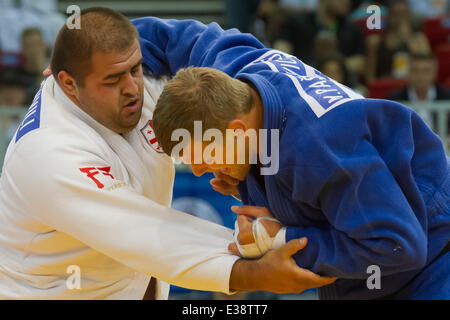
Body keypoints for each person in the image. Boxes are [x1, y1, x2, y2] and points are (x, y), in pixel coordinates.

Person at [0, 8, 336, 299]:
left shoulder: (140, 83)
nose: (132, 87)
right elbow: (141, 233)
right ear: (68, 83)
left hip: (136, 286)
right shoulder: (47, 153)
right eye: (114, 79)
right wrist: (254, 268)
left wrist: (236, 163)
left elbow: (207, 61)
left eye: (134, 68)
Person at [134, 17, 450, 299]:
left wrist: (281, 238)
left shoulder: (317, 150)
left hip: (429, 265)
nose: (202, 171)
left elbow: (398, 247)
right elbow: (156, 35)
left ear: (237, 130)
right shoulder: (231, 69)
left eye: (201, 157)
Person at [388, 53, 450, 132]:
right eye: (415, 71)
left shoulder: (447, 97)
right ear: (408, 73)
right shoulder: (394, 99)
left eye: (426, 71)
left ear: (434, 74)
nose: (420, 76)